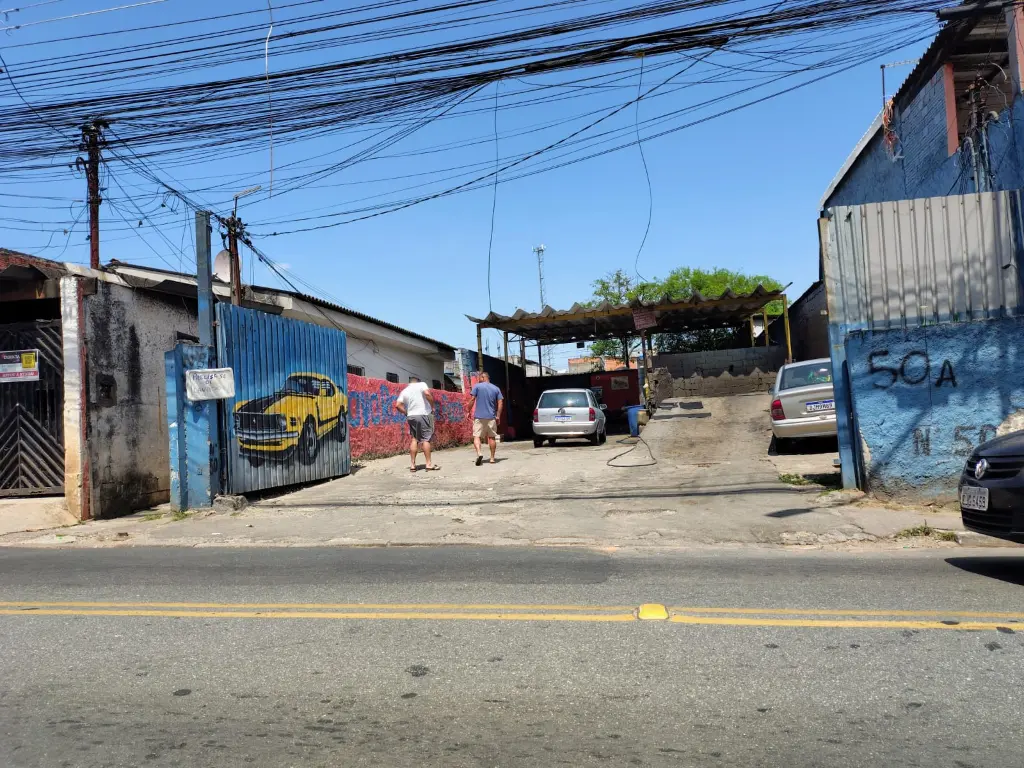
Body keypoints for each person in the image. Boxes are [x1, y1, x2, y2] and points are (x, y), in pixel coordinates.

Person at [395, 376, 439, 472]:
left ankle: (412, 465)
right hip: (423, 414)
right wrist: (432, 407)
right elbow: (427, 394)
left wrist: (406, 412)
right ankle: (428, 464)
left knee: (414, 439)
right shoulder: (422, 384)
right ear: (418, 381)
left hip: (411, 416)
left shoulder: (405, 391)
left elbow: (397, 405)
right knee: (426, 439)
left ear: (409, 382)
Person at [468, 372, 504, 466]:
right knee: (491, 437)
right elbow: (500, 403)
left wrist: (468, 411)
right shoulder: (496, 388)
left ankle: (479, 453)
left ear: (483, 377)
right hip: (491, 417)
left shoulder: (477, 386)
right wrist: (498, 416)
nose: (478, 380)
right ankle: (492, 458)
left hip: (479, 417)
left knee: (477, 436)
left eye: (479, 378)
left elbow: (472, 399)